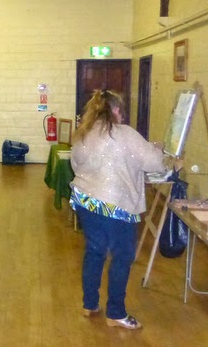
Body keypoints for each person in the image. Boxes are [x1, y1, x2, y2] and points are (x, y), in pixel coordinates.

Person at [71, 89, 168, 330]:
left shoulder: (84, 133)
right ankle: (116, 312)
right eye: (121, 111)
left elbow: (76, 164)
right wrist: (159, 151)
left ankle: (89, 304)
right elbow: (154, 162)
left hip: (85, 201)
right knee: (123, 256)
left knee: (95, 251)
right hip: (114, 204)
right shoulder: (124, 133)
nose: (122, 116)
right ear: (115, 110)